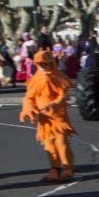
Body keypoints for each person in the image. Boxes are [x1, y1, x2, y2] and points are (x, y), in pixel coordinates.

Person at [19, 49, 77, 183]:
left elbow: (63, 96)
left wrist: (55, 104)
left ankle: (68, 168)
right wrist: (28, 109)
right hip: (44, 119)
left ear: (52, 63)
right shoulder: (35, 80)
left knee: (61, 142)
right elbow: (29, 97)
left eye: (47, 64)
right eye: (41, 64)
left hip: (59, 117)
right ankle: (55, 169)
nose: (44, 67)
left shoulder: (58, 76)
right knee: (49, 144)